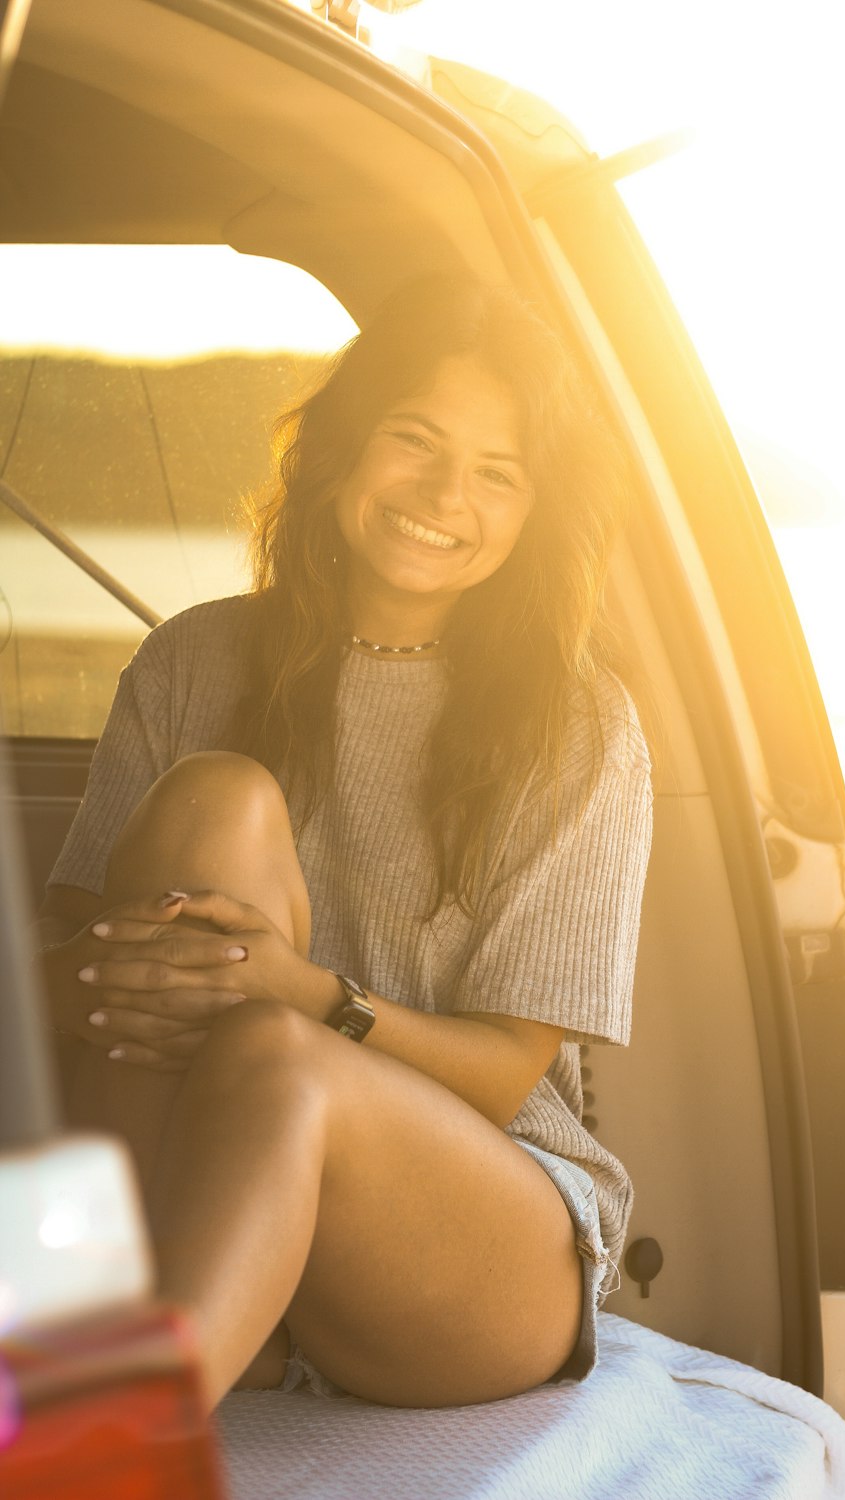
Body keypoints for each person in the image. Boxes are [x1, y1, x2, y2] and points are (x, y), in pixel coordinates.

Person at [35, 276, 654, 1412]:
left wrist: (307, 999)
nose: (443, 495)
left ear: (532, 513)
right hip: (196, 1174)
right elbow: (73, 982)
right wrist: (135, 978)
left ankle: (110, 1430)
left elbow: (506, 1069)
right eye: (412, 441)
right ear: (336, 452)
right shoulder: (192, 660)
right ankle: (154, 1327)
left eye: (496, 473)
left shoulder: (581, 725)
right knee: (216, 799)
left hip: (480, 1238)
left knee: (273, 1053)